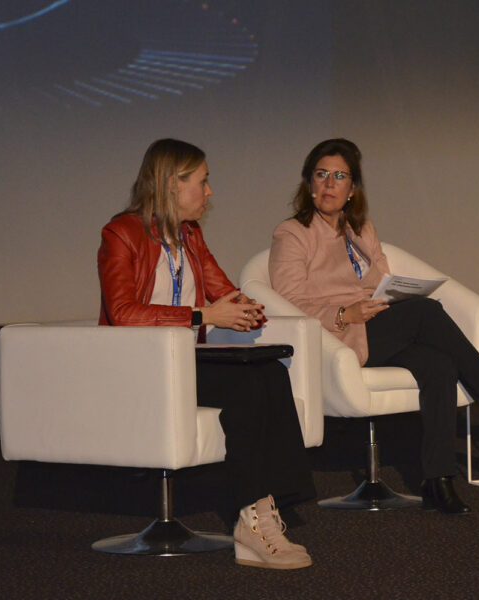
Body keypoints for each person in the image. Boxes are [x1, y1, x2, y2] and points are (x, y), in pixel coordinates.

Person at [268, 138, 479, 515]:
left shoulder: (362, 230)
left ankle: (438, 481)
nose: (329, 184)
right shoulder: (292, 233)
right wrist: (343, 313)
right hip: (334, 337)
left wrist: (389, 297)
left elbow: (380, 281)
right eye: (321, 175)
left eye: (339, 176)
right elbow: (289, 302)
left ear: (352, 189)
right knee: (425, 312)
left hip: (377, 327)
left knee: (439, 364)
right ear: (309, 184)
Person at [98, 138, 313, 569]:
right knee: (245, 386)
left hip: (185, 361)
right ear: (171, 185)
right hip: (139, 366)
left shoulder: (190, 235)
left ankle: (268, 507)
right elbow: (123, 312)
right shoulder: (121, 233)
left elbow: (221, 288)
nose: (209, 191)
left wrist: (244, 306)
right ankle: (253, 521)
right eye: (203, 181)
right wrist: (203, 315)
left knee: (268, 372)